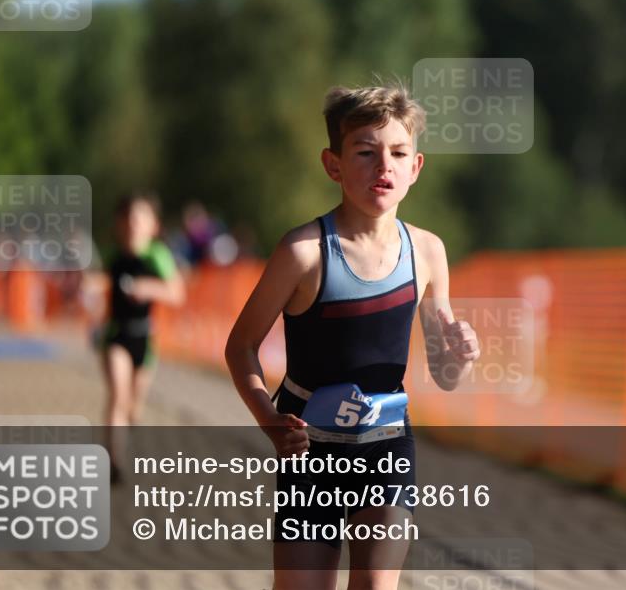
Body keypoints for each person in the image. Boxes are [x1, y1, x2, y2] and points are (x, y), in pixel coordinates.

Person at [225, 82, 481, 590]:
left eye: (398, 153)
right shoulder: (303, 252)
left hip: (386, 447)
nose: (383, 165)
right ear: (333, 165)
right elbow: (241, 346)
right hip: (310, 451)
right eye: (365, 152)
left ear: (416, 167)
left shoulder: (427, 252)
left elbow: (446, 375)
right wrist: (268, 418)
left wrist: (461, 356)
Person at [98, 193, 185, 483]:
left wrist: (148, 288)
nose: (134, 225)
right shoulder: (113, 255)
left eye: (140, 218)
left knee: (134, 408)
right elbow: (97, 283)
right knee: (118, 395)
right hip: (116, 334)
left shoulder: (156, 256)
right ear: (120, 223)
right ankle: (114, 461)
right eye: (129, 218)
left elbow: (176, 293)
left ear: (153, 225)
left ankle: (124, 434)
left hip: (145, 340)